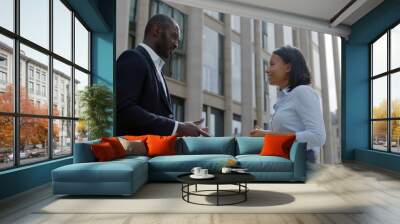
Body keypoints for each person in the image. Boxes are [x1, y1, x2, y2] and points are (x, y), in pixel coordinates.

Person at [116, 14, 209, 137]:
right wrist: (177, 127)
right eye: (174, 37)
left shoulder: (157, 70)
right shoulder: (133, 58)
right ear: (156, 31)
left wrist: (178, 126)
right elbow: (124, 110)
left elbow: (155, 115)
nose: (176, 44)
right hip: (133, 154)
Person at [250, 46, 326, 162]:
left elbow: (318, 137)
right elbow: (290, 132)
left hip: (299, 166)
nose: (267, 70)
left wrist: (275, 138)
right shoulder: (285, 98)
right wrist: (265, 134)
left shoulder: (303, 92)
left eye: (272, 64)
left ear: (288, 67)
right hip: (285, 162)